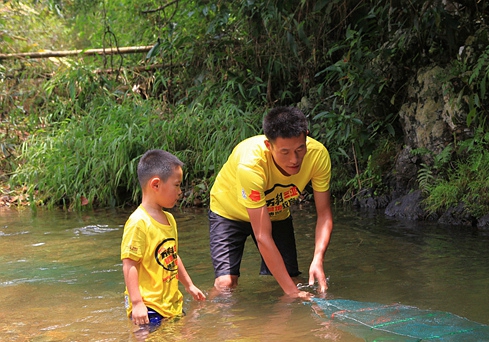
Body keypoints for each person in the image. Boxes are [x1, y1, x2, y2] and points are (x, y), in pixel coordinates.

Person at [208, 106, 333, 298]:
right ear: (269, 146)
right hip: (229, 212)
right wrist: (292, 292)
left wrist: (318, 258)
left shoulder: (318, 156)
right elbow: (262, 235)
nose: (294, 159)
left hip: (276, 212)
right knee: (226, 283)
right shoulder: (251, 165)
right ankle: (200, 315)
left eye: (300, 149)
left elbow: (324, 214)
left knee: (293, 280)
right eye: (285, 152)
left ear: (306, 136)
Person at [121, 149, 206, 327]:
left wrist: (189, 285)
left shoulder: (170, 219)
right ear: (156, 185)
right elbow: (130, 264)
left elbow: (172, 256)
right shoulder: (138, 222)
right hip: (148, 306)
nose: (180, 191)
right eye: (176, 185)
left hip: (170, 303)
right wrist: (137, 303)